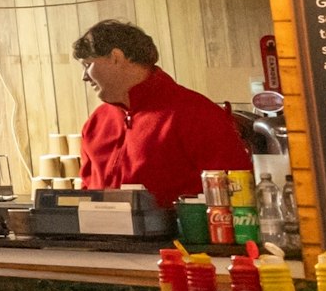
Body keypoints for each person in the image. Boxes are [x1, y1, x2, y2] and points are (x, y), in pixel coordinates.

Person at [75, 19, 254, 203]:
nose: (84, 77)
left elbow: (237, 193)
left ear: (116, 57)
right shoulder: (96, 122)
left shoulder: (196, 113)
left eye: (88, 65)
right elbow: (86, 192)